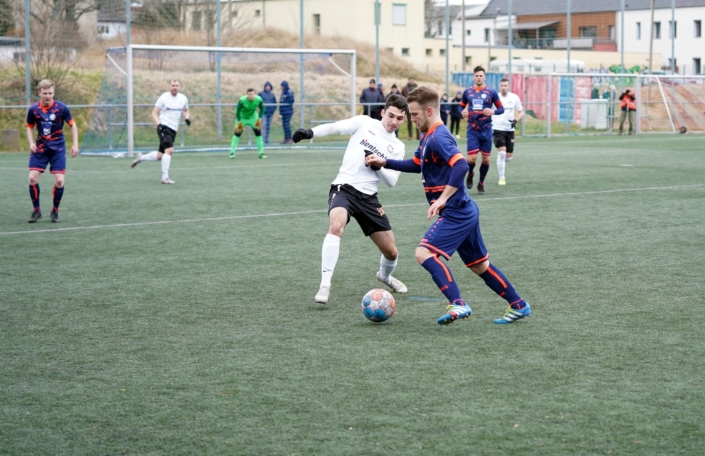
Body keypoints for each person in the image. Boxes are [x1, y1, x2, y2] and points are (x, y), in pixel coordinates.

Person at [365, 86, 531, 325]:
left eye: (414, 114)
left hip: (456, 211)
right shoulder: (428, 135)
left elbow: (462, 165)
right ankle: (519, 305)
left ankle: (458, 303)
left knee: (423, 253)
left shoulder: (440, 135)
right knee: (479, 265)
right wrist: (385, 162)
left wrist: (442, 199)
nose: (411, 119)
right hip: (464, 210)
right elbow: (416, 163)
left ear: (429, 110)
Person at [291, 94, 410, 305]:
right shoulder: (365, 123)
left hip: (369, 198)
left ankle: (384, 276)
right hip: (344, 188)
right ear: (383, 112)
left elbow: (391, 181)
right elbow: (335, 127)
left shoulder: (398, 146)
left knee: (391, 252)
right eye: (391, 115)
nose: (394, 122)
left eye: (400, 118)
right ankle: (324, 285)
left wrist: (379, 165)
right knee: (336, 226)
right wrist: (310, 132)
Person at [25, 79, 79, 223]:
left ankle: (54, 210)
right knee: (32, 178)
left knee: (60, 181)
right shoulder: (34, 109)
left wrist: (75, 144)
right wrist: (31, 143)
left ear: (53, 93)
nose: (47, 96)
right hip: (40, 149)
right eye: (45, 93)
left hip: (58, 149)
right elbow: (29, 126)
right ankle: (36, 210)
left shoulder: (61, 108)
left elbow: (72, 126)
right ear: (39, 93)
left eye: (50, 93)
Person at [130, 79, 190, 184]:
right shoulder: (164, 97)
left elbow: (186, 109)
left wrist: (187, 118)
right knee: (170, 151)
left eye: (177, 85)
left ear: (179, 87)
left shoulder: (183, 98)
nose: (175, 87)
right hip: (163, 127)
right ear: (169, 86)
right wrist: (159, 124)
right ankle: (165, 177)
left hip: (173, 130)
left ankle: (140, 158)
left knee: (160, 156)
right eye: (173, 85)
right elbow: (154, 113)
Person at [460, 66, 504, 195]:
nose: (479, 78)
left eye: (481, 75)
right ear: (474, 77)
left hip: (486, 130)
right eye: (476, 75)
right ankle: (471, 173)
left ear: (484, 77)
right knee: (471, 159)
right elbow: (460, 107)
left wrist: (493, 111)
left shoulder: (491, 92)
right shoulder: (467, 92)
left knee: (485, 160)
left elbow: (501, 109)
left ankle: (481, 184)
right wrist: (463, 112)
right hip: (473, 130)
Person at [492, 78, 524, 185]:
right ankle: (502, 178)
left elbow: (521, 112)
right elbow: (489, 111)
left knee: (508, 157)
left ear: (508, 86)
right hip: (497, 128)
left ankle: (501, 159)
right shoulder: (495, 98)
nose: (503, 87)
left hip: (509, 129)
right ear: (499, 86)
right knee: (502, 153)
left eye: (505, 86)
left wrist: (516, 120)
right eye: (502, 86)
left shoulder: (514, 97)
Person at [230, 88, 267, 159]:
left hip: (253, 117)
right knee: (237, 133)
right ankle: (232, 152)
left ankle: (261, 153)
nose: (251, 96)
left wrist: (259, 119)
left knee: (258, 133)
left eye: (252, 94)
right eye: (249, 94)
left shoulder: (259, 99)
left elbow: (262, 108)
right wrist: (239, 121)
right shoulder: (242, 100)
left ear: (255, 94)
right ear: (247, 95)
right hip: (242, 117)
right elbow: (237, 111)